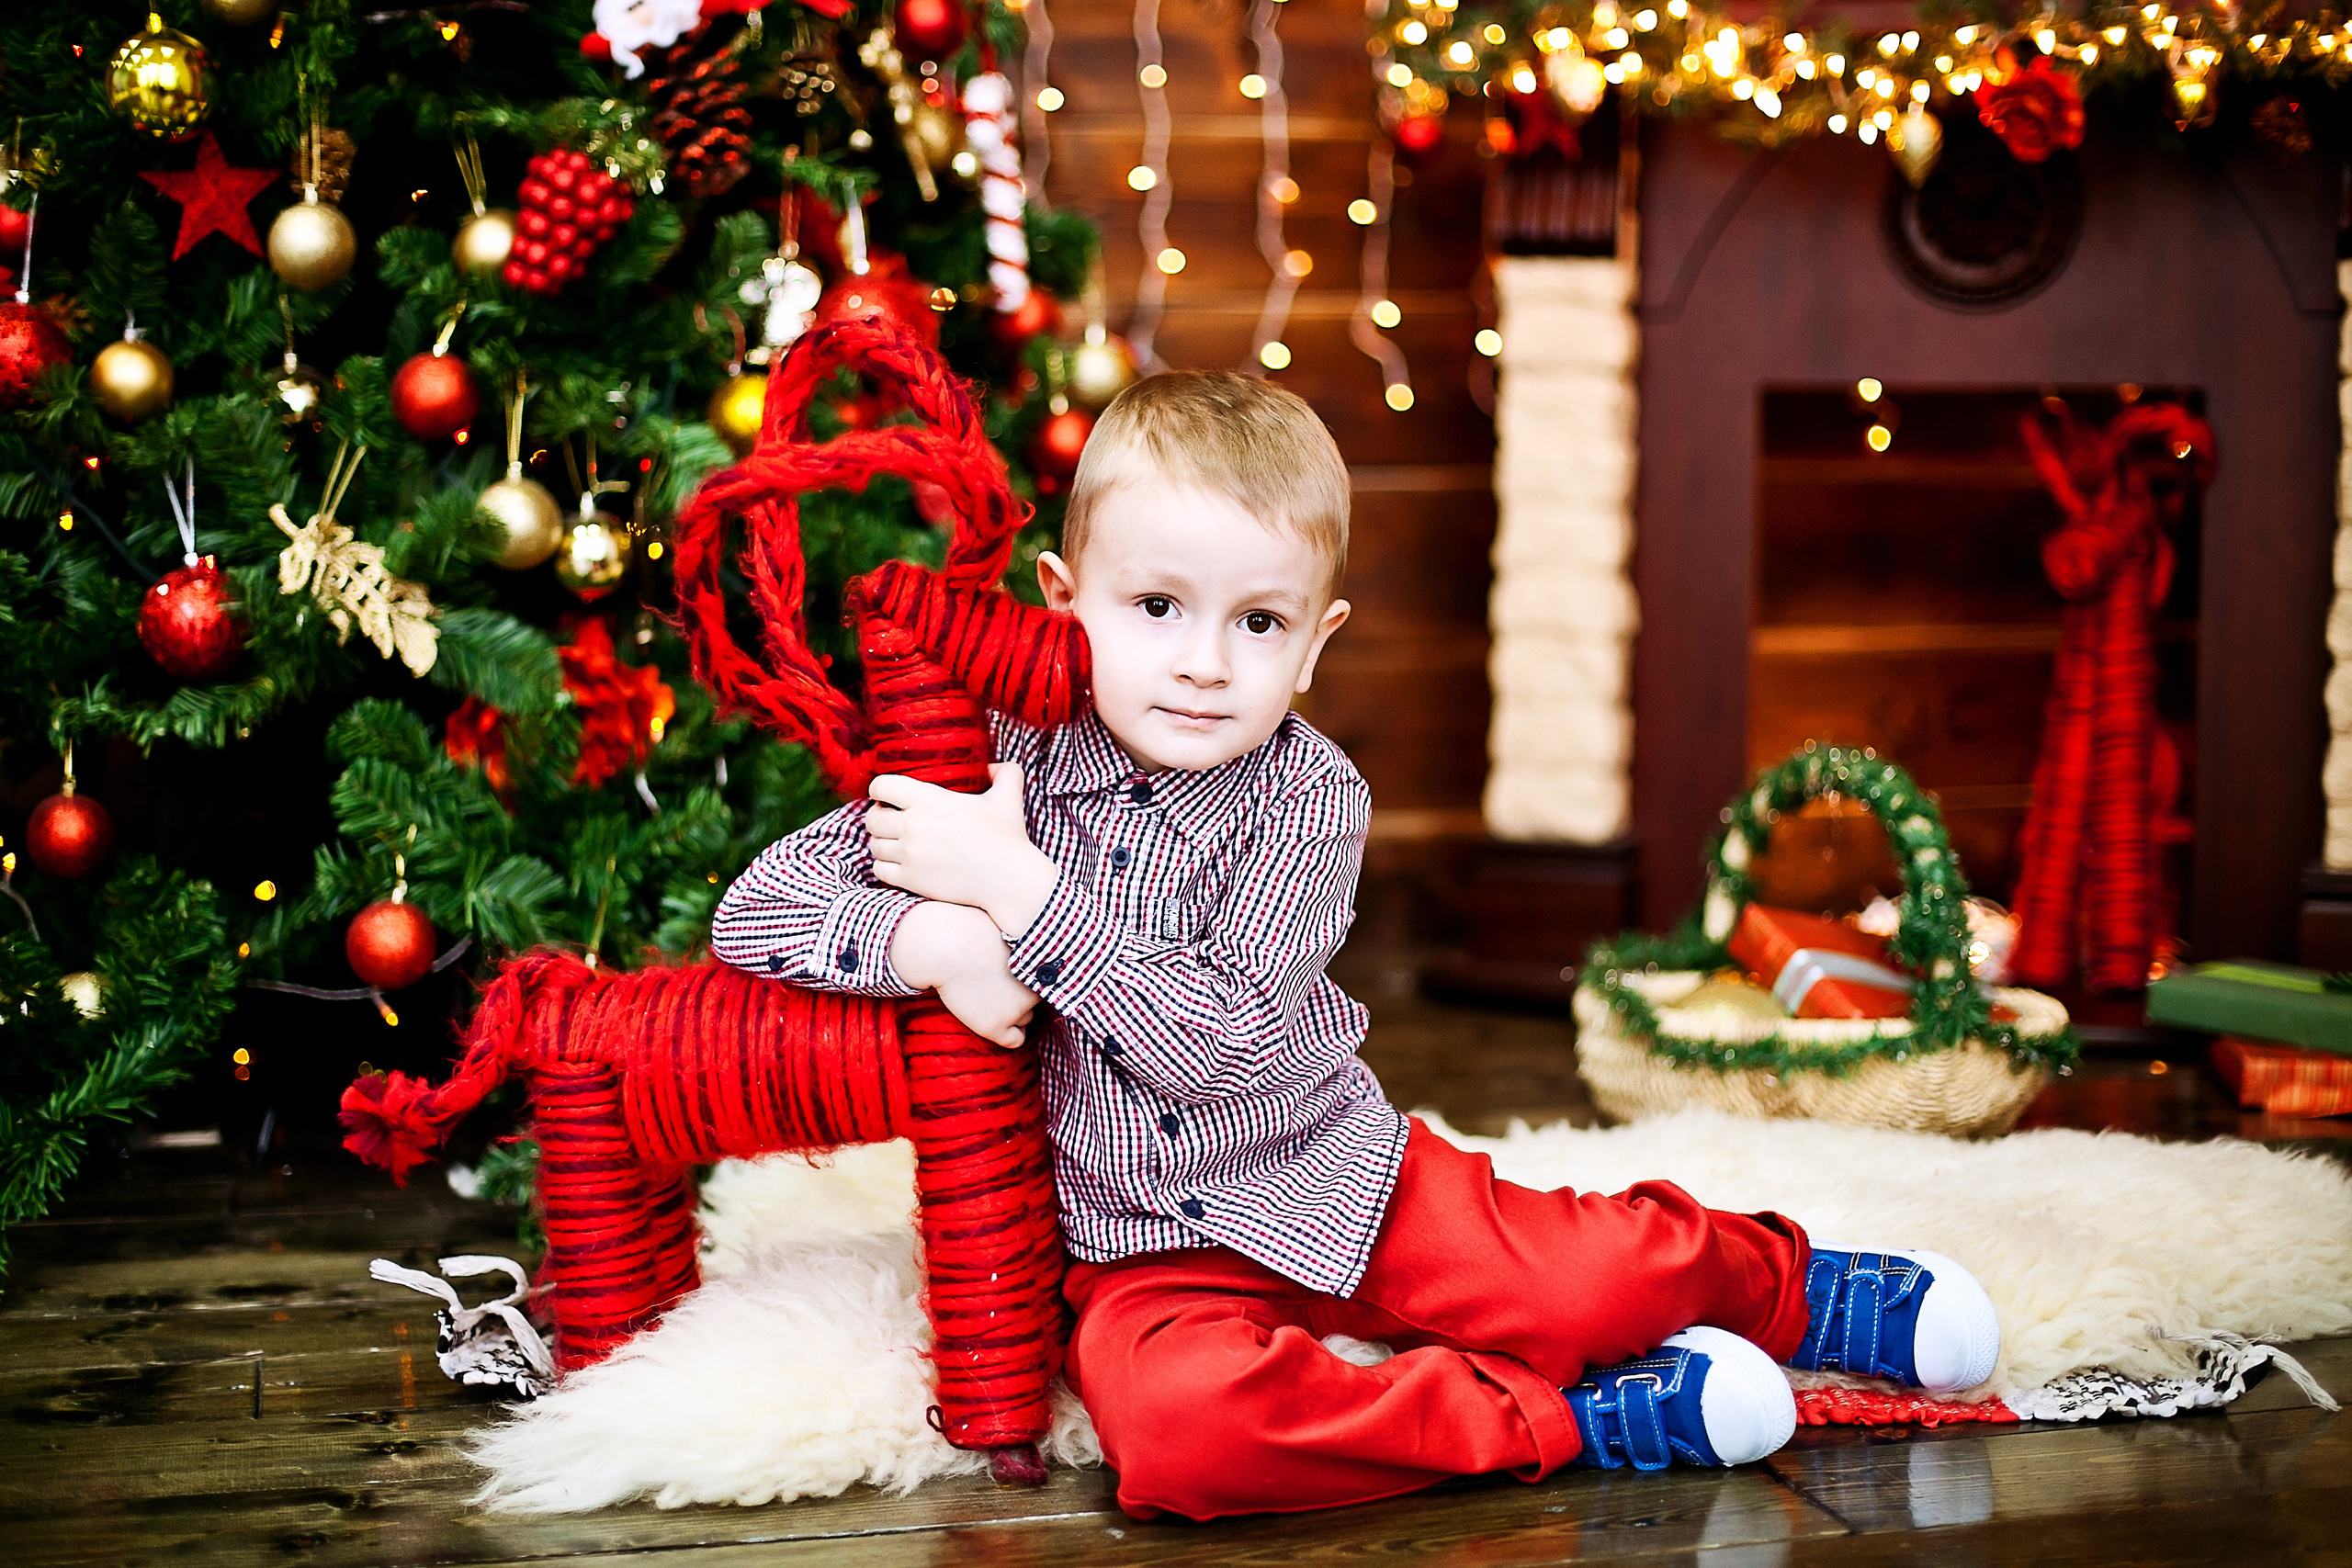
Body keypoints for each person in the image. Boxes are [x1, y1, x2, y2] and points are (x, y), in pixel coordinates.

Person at [710, 372, 2001, 1520]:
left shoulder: (1309, 799)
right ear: (1061, 603)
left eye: (1258, 623)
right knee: (1179, 1441)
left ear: (1315, 643)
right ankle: (1569, 1422)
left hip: (1344, 1180)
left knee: (1587, 1282)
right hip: (1129, 1253)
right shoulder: (1001, 769)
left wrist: (1021, 896)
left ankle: (1785, 1286)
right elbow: (755, 912)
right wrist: (931, 936)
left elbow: (1216, 1041)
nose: (1205, 665)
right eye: (1155, 607)